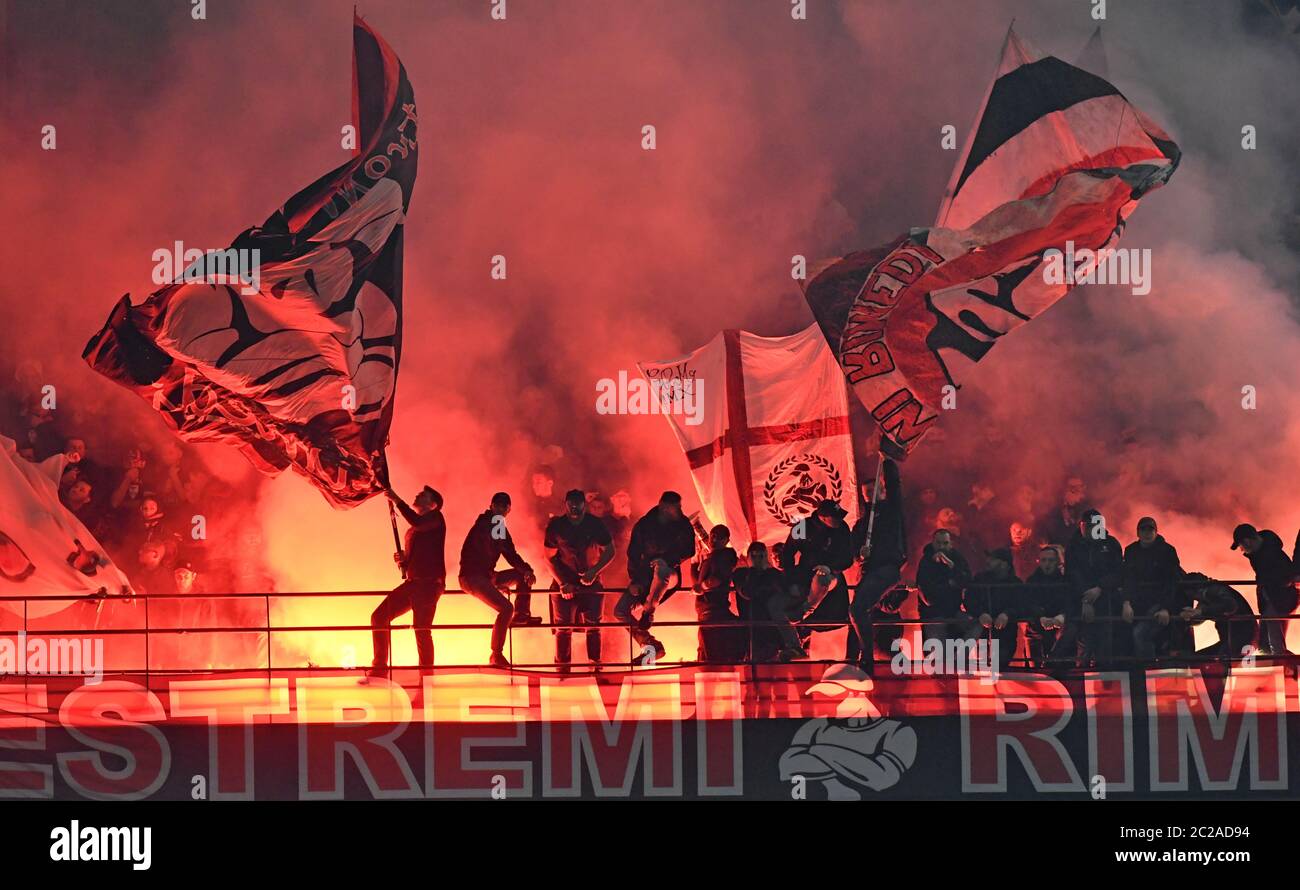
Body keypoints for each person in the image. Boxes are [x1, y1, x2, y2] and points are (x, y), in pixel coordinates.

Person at [367, 483, 447, 678]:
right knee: (379, 617)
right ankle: (380, 667)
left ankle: (426, 675)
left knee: (421, 629)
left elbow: (418, 523)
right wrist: (404, 560)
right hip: (414, 583)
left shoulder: (436, 518)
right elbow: (415, 556)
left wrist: (397, 500)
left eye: (423, 495)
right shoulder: (415, 529)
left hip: (428, 584)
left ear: (433, 504)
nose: (418, 495)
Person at [616, 491, 695, 661]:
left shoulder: (683, 524)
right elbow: (633, 554)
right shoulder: (644, 525)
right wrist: (634, 581)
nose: (680, 511)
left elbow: (689, 550)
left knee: (661, 568)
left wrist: (665, 560)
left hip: (669, 575)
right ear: (665, 508)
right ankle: (650, 647)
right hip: (644, 577)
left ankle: (648, 611)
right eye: (677, 508)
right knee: (620, 611)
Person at [458, 492, 536, 660]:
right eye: (498, 505)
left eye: (503, 506)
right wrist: (526, 569)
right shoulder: (488, 524)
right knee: (506, 608)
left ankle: (522, 615)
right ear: (491, 506)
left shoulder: (494, 524)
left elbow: (509, 553)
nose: (500, 509)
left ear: (508, 509)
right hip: (473, 577)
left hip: (484, 576)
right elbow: (504, 552)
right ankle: (496, 654)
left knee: (521, 576)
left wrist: (527, 570)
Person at [545, 489, 615, 672]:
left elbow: (610, 551)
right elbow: (548, 558)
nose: (574, 507)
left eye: (578, 503)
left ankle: (595, 668)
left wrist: (594, 571)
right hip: (564, 585)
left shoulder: (595, 524)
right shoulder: (556, 526)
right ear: (565, 504)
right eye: (571, 503)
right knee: (563, 628)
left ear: (584, 504)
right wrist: (562, 583)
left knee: (593, 627)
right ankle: (562, 671)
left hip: (591, 584)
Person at [849, 457, 906, 672]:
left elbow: (894, 486)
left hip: (887, 569)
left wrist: (887, 461)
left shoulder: (893, 512)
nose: (872, 495)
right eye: (867, 493)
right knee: (855, 613)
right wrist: (860, 556)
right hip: (869, 572)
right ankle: (856, 658)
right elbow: (854, 555)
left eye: (875, 490)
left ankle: (867, 657)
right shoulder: (862, 525)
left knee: (858, 609)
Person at [782, 499, 856, 658]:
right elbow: (787, 554)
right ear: (822, 517)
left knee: (823, 580)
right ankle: (801, 632)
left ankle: (806, 610)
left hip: (832, 576)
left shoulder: (842, 528)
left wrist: (830, 568)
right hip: (805, 576)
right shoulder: (802, 526)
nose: (839, 520)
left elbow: (848, 557)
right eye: (835, 517)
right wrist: (791, 579)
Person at [1063, 509, 1124, 668]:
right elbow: (1072, 574)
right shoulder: (1073, 546)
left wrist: (1100, 588)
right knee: (1083, 644)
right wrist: (1086, 599)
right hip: (1081, 603)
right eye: (1088, 526)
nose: (1092, 529)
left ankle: (1105, 682)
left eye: (1095, 525)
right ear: (1081, 526)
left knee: (1105, 645)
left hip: (1107, 601)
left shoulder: (1111, 544)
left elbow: (1118, 572)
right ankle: (1081, 680)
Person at [1231, 523, 1297, 657]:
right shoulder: (1262, 552)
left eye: (1241, 546)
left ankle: (1285, 666)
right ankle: (1282, 665)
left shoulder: (1268, 554)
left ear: (1247, 541)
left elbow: (1286, 576)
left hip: (1279, 599)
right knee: (1265, 642)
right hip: (1271, 599)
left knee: (1275, 640)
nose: (1242, 550)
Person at [1124, 517, 1184, 660]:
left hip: (1158, 602)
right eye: (1143, 529)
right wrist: (1126, 603)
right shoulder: (1131, 551)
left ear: (1156, 532)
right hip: (1138, 603)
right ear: (1138, 533)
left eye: (1150, 529)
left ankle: (1147, 669)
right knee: (1128, 632)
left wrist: (1165, 608)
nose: (1147, 533)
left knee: (1141, 634)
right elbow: (1127, 578)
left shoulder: (1167, 551)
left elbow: (1172, 581)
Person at [734, 541, 804, 662]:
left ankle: (794, 646)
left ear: (766, 556)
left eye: (760, 556)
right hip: (752, 628)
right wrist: (753, 571)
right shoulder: (741, 574)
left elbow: (788, 595)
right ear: (748, 556)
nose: (757, 559)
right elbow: (746, 592)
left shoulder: (774, 574)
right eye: (754, 556)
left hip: (772, 629)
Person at [1179, 572, 1258, 662]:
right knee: (1200, 659)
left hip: (1242, 638)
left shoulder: (1214, 590)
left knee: (1208, 661)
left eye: (1192, 596)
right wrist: (1190, 617)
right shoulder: (1209, 593)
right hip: (1238, 638)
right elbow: (1201, 615)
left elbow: (1230, 605)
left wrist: (1200, 612)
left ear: (1196, 590)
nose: (1194, 599)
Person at [966, 547, 1023, 671]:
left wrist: (1007, 614)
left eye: (993, 559)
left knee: (1000, 666)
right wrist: (980, 614)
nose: (988, 561)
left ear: (1004, 564)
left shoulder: (1015, 583)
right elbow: (969, 600)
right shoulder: (980, 579)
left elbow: (1022, 605)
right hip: (982, 634)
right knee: (983, 669)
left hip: (1006, 635)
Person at [915, 529, 973, 646]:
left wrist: (951, 565)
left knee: (977, 625)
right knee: (939, 657)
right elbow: (928, 598)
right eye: (938, 543)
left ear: (950, 543)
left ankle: (962, 655)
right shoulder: (926, 562)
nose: (941, 546)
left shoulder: (957, 558)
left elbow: (966, 580)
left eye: (945, 543)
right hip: (933, 615)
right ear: (933, 543)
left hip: (954, 612)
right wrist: (949, 584)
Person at [693, 525, 742, 663]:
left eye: (717, 536)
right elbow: (697, 584)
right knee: (707, 649)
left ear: (726, 540)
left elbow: (716, 580)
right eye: (712, 535)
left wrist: (702, 586)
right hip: (707, 611)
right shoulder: (712, 558)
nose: (712, 539)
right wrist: (694, 562)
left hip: (713, 610)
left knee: (709, 651)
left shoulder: (724, 556)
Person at [1023, 545, 1069, 668]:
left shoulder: (1066, 582)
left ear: (1058, 562)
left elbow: (1070, 602)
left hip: (1059, 627)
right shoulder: (1032, 581)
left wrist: (1061, 616)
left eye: (1051, 560)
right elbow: (1027, 603)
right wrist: (1041, 617)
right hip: (1035, 629)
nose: (1047, 564)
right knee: (1035, 668)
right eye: (1043, 560)